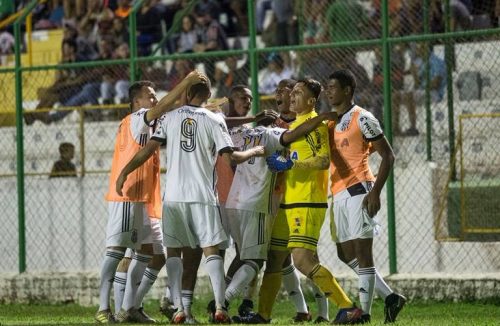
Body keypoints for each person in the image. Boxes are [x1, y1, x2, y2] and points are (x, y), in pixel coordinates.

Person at [116, 77, 265, 324]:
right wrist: (256, 151)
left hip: (173, 198)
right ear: (206, 96)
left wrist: (125, 171)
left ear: (186, 95)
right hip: (203, 196)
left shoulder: (169, 118)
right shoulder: (215, 119)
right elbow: (230, 159)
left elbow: (147, 150)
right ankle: (219, 307)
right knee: (211, 251)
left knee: (173, 252)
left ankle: (179, 309)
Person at [247, 78, 363, 324]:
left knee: (301, 260)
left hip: (307, 201)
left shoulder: (315, 126)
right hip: (287, 201)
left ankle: (348, 307)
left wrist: (292, 163)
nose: (292, 96)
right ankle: (263, 314)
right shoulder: (294, 126)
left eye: (298, 92)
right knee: (275, 258)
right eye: (293, 92)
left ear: (311, 101)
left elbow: (322, 161)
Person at [95, 71, 205, 324]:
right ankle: (103, 308)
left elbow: (175, 112)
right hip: (127, 195)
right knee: (116, 251)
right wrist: (185, 82)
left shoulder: (151, 124)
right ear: (136, 102)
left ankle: (131, 306)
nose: (155, 100)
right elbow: (168, 106)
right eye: (150, 96)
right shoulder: (135, 119)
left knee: (154, 252)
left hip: (145, 198)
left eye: (156, 96)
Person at [324, 69, 406, 323]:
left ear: (347, 90)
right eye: (327, 87)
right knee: (343, 253)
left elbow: (388, 156)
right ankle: (390, 298)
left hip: (360, 189)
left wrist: (376, 192)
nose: (328, 91)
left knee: (362, 253)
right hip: (337, 192)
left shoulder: (363, 117)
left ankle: (364, 313)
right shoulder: (329, 121)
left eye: (333, 87)